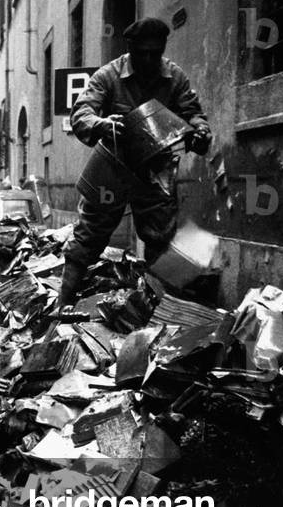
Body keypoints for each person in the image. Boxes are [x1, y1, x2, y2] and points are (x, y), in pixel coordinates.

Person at [62, 16, 211, 306]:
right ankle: (61, 305)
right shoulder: (108, 75)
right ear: (130, 49)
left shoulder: (175, 77)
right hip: (111, 170)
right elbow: (81, 113)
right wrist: (101, 124)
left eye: (155, 53)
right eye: (142, 52)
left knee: (161, 240)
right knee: (87, 239)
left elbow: (192, 112)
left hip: (156, 170)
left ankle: (157, 310)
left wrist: (200, 130)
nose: (148, 59)